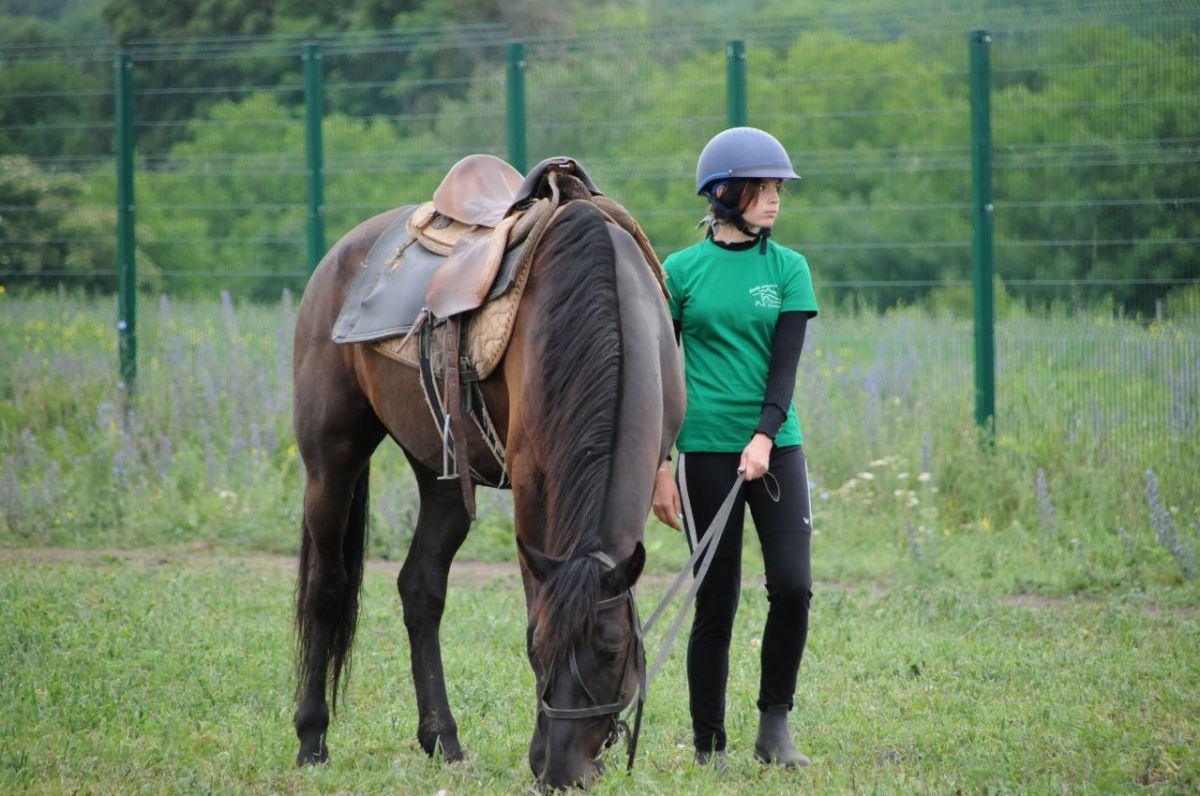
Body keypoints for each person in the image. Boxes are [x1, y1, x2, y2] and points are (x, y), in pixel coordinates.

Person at [653, 126, 818, 769]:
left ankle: (775, 727)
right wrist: (660, 465)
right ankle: (709, 745)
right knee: (715, 601)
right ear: (724, 193)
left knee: (793, 587)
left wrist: (764, 437)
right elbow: (660, 375)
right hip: (703, 452)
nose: (775, 198)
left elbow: (785, 369)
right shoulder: (678, 272)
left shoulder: (789, 269)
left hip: (775, 450)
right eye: (763, 187)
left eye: (778, 188)